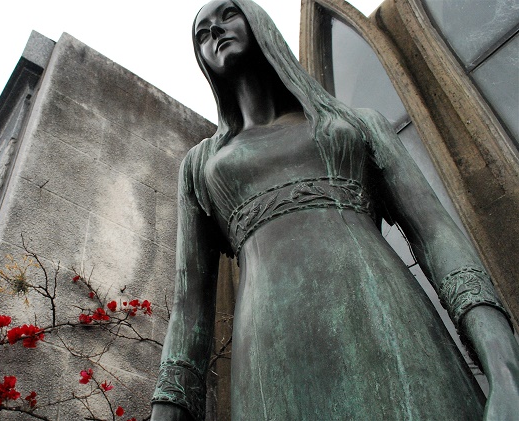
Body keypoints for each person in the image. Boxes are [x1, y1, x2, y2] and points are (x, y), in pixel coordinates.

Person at [150, 1, 519, 420]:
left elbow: (437, 236)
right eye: (202, 33)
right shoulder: (201, 167)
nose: (214, 31)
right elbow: (189, 308)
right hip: (271, 356)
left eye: (228, 15)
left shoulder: (356, 125)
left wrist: (506, 370)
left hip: (390, 326)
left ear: (259, 23)